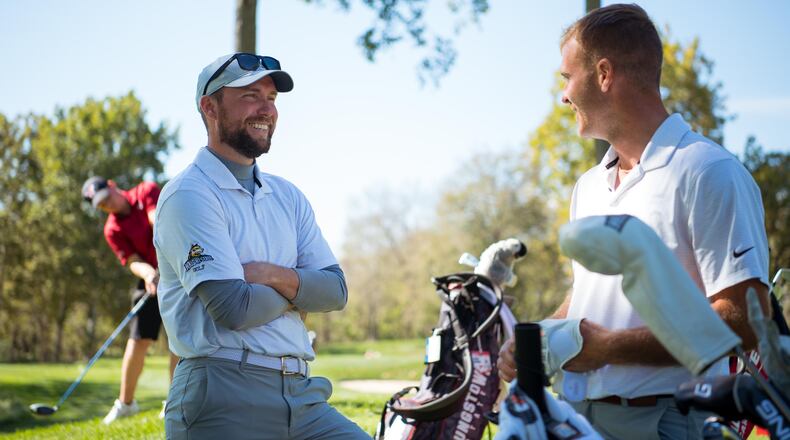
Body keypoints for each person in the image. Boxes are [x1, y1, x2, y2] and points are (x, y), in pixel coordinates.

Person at [497, 4, 771, 439]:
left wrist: (607, 349)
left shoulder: (708, 171)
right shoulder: (587, 186)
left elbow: (746, 321)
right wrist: (541, 338)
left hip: (669, 423)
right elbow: (589, 293)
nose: (563, 96)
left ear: (604, 74)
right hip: (578, 416)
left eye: (567, 78)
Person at [153, 53, 369, 439]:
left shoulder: (288, 195)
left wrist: (271, 276)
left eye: (271, 98)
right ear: (210, 107)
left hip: (302, 396)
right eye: (251, 96)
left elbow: (335, 291)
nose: (266, 109)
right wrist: (300, 292)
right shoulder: (189, 194)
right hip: (223, 394)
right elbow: (233, 308)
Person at [81, 176, 179, 424]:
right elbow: (132, 260)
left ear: (112, 185)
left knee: (178, 338)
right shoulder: (111, 229)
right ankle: (126, 403)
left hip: (175, 269)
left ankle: (174, 401)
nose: (108, 206)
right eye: (101, 206)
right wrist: (148, 273)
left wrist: (164, 265)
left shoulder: (146, 191)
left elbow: (158, 221)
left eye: (107, 199)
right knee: (137, 340)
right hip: (149, 277)